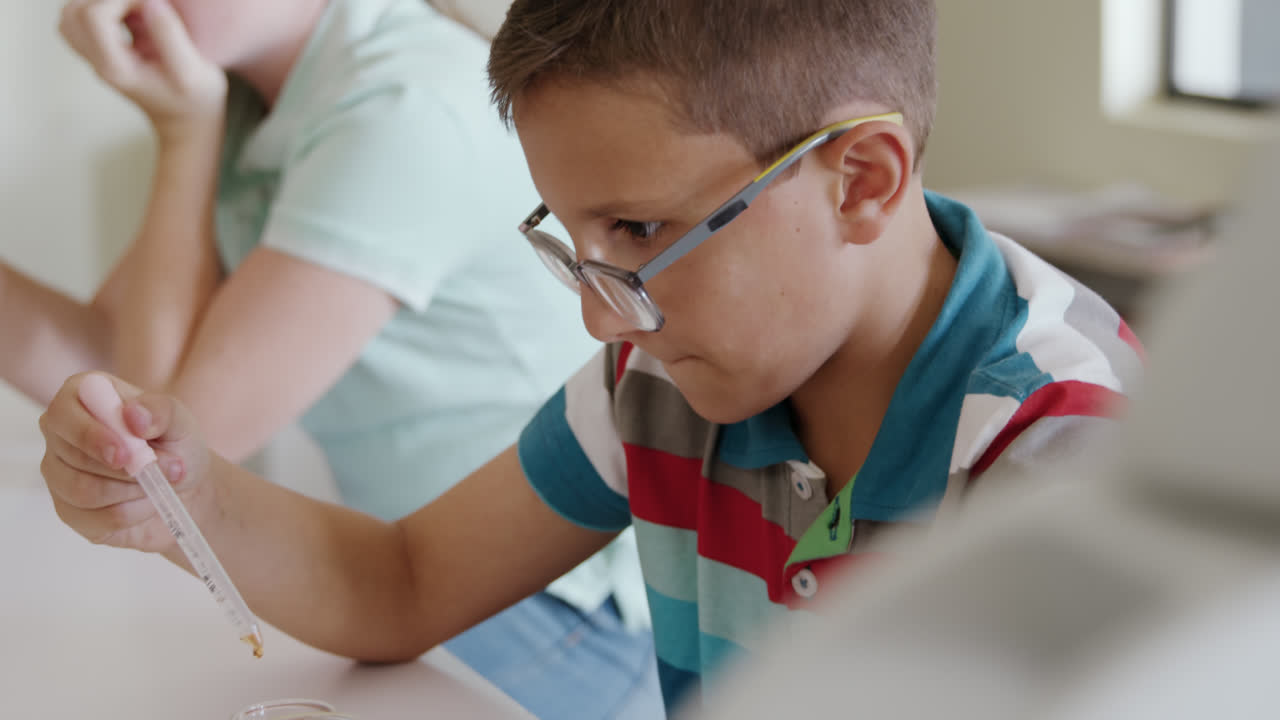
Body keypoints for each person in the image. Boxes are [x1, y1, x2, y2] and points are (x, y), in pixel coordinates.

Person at [35, 0, 1143, 716]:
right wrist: (186, 495)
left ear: (860, 180)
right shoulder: (663, 382)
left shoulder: (1065, 452)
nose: (602, 324)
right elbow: (404, 581)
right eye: (572, 242)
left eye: (642, 233)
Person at [2, 0, 658, 718]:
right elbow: (117, 364)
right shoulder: (253, 102)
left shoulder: (407, 108)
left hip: (547, 609)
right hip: (399, 571)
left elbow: (169, 443)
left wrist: (184, 137)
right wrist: (191, 129)